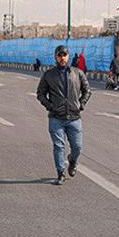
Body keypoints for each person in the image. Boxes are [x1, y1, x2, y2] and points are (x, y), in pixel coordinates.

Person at [36, 44, 90, 185]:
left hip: (74, 118)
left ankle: (72, 161)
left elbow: (87, 90)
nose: (62, 58)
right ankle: (60, 173)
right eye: (59, 55)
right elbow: (40, 93)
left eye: (64, 55)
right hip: (56, 118)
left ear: (68, 56)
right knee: (58, 146)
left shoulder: (77, 73)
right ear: (55, 57)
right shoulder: (49, 75)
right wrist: (51, 106)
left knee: (77, 147)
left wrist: (81, 104)